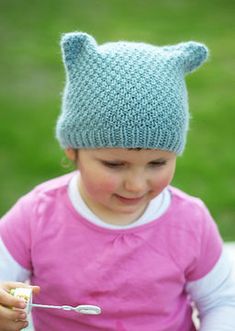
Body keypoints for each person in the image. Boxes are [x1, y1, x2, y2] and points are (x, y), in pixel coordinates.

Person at [0, 32, 235, 331]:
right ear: (73, 150)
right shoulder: (36, 216)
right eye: (114, 164)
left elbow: (221, 301)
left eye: (157, 163)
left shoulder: (190, 221)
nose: (136, 185)